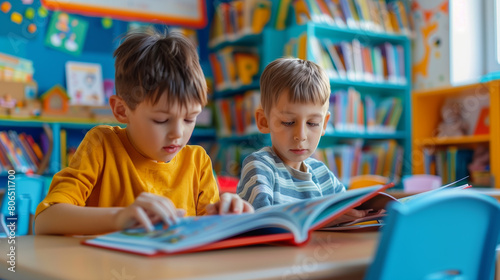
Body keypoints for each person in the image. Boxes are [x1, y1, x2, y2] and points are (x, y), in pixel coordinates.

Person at [35, 29, 253, 235]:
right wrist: (119, 218)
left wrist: (230, 216)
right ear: (122, 110)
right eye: (161, 120)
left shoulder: (198, 162)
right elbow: (45, 220)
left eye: (189, 119)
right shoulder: (102, 144)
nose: (177, 133)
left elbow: (208, 232)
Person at [236, 58, 368, 222]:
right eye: (288, 122)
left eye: (313, 123)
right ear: (264, 121)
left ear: (324, 124)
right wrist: (323, 218)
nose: (301, 135)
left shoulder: (322, 174)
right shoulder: (260, 166)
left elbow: (344, 209)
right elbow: (262, 221)